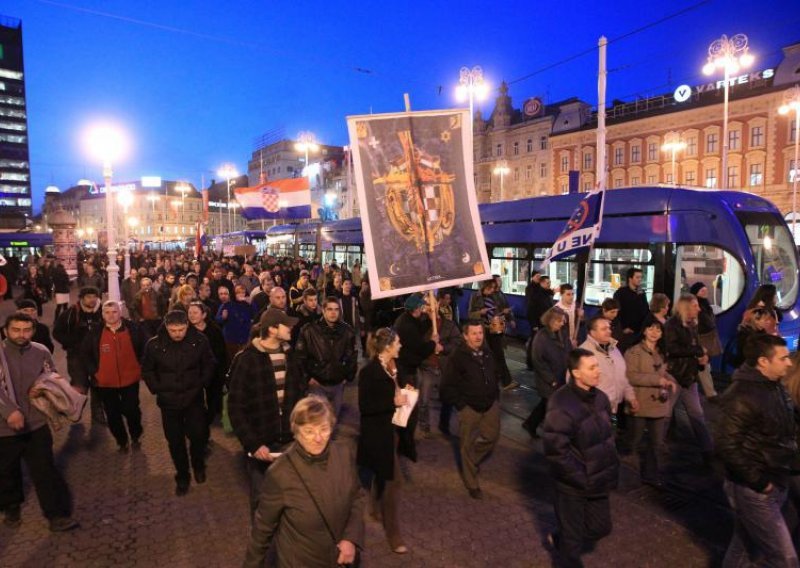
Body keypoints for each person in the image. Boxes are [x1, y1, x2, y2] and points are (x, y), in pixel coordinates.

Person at [243, 396, 366, 568]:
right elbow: (262, 529)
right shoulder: (281, 473)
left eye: (324, 429)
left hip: (341, 560)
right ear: (296, 431)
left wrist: (351, 538)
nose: (318, 438)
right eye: (309, 431)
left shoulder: (344, 454)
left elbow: (357, 496)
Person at [715, 334, 798, 567]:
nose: (789, 363)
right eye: (783, 358)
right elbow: (725, 445)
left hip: (774, 479)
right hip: (754, 490)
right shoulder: (740, 395)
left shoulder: (775, 387)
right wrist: (760, 482)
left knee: (744, 546)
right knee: (785, 559)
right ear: (763, 361)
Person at [0, 313, 78, 532]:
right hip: (4, 429)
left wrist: (50, 388)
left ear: (33, 331)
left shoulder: (41, 351)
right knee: (7, 472)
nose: (21, 334)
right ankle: (11, 505)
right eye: (16, 329)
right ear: (6, 331)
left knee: (45, 470)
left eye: (26, 330)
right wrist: (9, 412)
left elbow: (51, 376)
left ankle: (56, 515)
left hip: (36, 423)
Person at [543, 348, 619, 568]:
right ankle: (567, 544)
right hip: (572, 486)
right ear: (576, 373)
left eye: (597, 366)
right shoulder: (561, 403)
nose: (598, 372)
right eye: (592, 368)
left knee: (601, 527)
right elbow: (556, 450)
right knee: (572, 545)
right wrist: (582, 476)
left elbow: (607, 435)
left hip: (599, 481)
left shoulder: (600, 397)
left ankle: (560, 539)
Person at [228, 307, 302, 520]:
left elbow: (301, 395)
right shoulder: (247, 360)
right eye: (285, 324)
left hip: (290, 442)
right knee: (262, 505)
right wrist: (253, 444)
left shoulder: (291, 356)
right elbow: (235, 407)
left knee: (293, 499)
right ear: (271, 330)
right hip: (262, 446)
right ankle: (263, 550)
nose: (290, 328)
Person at [141, 310, 215, 496]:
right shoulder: (154, 345)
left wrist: (201, 383)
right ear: (166, 326)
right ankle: (182, 475)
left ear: (187, 326)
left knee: (198, 436)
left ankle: (198, 464)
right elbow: (147, 370)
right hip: (168, 403)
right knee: (175, 442)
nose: (177, 334)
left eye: (181, 329)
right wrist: (158, 388)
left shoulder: (199, 341)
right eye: (173, 330)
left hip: (193, 399)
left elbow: (209, 363)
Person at [357, 327, 409, 554]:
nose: (400, 346)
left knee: (383, 474)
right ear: (387, 347)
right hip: (378, 435)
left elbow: (396, 390)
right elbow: (365, 407)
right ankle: (394, 534)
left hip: (392, 432)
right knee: (394, 482)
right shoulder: (369, 372)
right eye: (397, 342)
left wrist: (406, 392)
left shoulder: (394, 367)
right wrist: (393, 402)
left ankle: (375, 508)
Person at [441, 320, 500, 499]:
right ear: (465, 336)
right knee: (466, 444)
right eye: (474, 333)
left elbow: (494, 373)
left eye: (480, 333)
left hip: (490, 404)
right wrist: (461, 405)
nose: (478, 337)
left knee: (491, 436)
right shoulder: (457, 357)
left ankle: (470, 461)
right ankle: (472, 483)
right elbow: (446, 386)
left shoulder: (487, 352)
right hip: (469, 408)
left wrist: (495, 395)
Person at [82, 301, 147, 452]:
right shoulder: (96, 332)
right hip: (105, 382)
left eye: (114, 312)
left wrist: (140, 367)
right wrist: (95, 372)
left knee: (131, 409)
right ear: (103, 314)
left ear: (120, 312)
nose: (111, 315)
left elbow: (146, 347)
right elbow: (85, 353)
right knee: (112, 413)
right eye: (107, 312)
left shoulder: (133, 328)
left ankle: (136, 434)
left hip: (130, 379)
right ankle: (121, 440)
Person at [624, 319, 678, 485]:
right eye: (651, 329)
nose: (654, 333)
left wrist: (670, 380)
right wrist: (658, 380)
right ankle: (627, 474)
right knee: (635, 440)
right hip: (639, 402)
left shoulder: (661, 353)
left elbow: (663, 372)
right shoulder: (634, 352)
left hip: (658, 404)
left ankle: (651, 475)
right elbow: (630, 376)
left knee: (656, 443)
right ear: (644, 331)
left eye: (658, 330)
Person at [664, 293, 714, 463]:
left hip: (689, 376)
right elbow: (671, 349)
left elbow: (708, 327)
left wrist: (701, 360)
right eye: (695, 306)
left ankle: (707, 451)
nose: (699, 309)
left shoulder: (692, 324)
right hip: (675, 375)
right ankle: (657, 448)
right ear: (685, 307)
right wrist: (697, 352)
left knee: (697, 414)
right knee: (665, 413)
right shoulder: (672, 325)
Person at [394, 294, 441, 458]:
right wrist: (433, 344)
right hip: (406, 371)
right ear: (416, 309)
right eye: (422, 307)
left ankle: (403, 442)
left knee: (406, 409)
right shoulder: (406, 325)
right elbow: (420, 348)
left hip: (406, 369)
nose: (423, 309)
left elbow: (419, 329)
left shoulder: (407, 320)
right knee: (408, 410)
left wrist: (429, 319)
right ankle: (405, 445)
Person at [295, 296, 357, 417]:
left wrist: (348, 376)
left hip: (338, 383)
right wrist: (308, 378)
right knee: (319, 420)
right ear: (323, 310)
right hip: (317, 383)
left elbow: (352, 356)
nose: (333, 313)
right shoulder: (309, 330)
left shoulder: (347, 331)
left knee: (333, 420)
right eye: (330, 309)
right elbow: (300, 357)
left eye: (336, 309)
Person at [53, 286, 105, 424]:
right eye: (89, 297)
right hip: (76, 356)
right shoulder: (71, 313)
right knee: (79, 385)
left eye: (94, 296)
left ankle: (98, 413)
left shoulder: (102, 312)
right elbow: (57, 332)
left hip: (97, 356)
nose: (92, 300)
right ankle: (76, 410)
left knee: (98, 384)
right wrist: (72, 343)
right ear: (82, 298)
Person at [522, 307, 571, 439]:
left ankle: (531, 424)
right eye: (559, 321)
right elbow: (538, 361)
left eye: (563, 321)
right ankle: (551, 432)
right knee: (551, 405)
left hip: (561, 375)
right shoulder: (541, 337)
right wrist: (551, 379)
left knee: (546, 404)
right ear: (550, 321)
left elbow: (568, 350)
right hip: (549, 379)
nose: (562, 324)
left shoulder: (562, 333)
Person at [579, 316, 639, 417]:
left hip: (613, 409)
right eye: (603, 329)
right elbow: (576, 384)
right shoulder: (583, 353)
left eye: (609, 328)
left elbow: (622, 376)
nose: (608, 331)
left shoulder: (614, 350)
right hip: (592, 411)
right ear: (592, 332)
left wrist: (631, 397)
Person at [470, 280, 515, 390]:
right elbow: (470, 314)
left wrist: (504, 313)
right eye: (490, 289)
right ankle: (493, 380)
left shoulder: (494, 296)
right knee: (487, 356)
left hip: (495, 329)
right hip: (484, 330)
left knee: (499, 355)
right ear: (484, 287)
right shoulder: (475, 296)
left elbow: (498, 311)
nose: (492, 291)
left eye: (493, 288)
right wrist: (480, 313)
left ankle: (506, 381)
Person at [187, 302, 227, 426]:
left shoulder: (214, 330)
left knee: (214, 395)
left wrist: (223, 371)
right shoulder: (187, 332)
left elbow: (222, 352)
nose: (192, 315)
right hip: (194, 372)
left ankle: (213, 415)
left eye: (195, 313)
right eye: (190, 313)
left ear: (203, 315)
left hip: (213, 370)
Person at [691, 282, 720, 399]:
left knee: (705, 366)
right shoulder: (697, 306)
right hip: (701, 339)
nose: (705, 292)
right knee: (704, 367)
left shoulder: (706, 305)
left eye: (705, 289)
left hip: (707, 339)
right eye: (701, 290)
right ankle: (710, 393)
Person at [216, 284, 255, 362]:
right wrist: (223, 317)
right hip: (231, 339)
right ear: (234, 293)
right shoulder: (227, 304)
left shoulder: (248, 304)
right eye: (238, 292)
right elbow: (217, 319)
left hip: (245, 337)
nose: (241, 294)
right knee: (233, 361)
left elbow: (255, 315)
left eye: (243, 292)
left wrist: (252, 304)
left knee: (245, 360)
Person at [613, 267, 650, 343]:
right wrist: (622, 328)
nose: (640, 279)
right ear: (630, 278)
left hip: (640, 331)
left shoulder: (641, 292)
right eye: (637, 277)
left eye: (640, 277)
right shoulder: (621, 293)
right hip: (627, 330)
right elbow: (616, 312)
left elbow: (645, 310)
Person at [526, 274, 554, 368]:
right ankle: (531, 363)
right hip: (538, 324)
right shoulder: (536, 294)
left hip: (546, 323)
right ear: (541, 283)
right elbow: (531, 310)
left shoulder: (547, 293)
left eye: (550, 282)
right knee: (535, 343)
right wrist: (534, 325)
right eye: (547, 283)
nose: (549, 284)